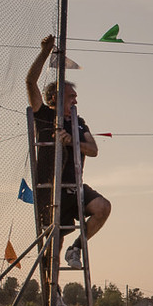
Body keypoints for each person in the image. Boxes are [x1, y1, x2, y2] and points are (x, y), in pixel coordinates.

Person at [26, 35, 111, 275]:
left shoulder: (78, 122)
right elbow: (30, 82)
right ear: (55, 97)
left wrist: (72, 141)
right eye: (71, 96)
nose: (76, 100)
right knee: (54, 242)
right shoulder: (44, 115)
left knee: (103, 207)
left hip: (74, 186)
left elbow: (93, 150)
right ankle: (52, 289)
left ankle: (77, 248)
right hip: (50, 188)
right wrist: (45, 52)